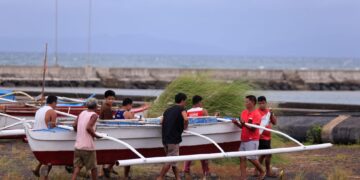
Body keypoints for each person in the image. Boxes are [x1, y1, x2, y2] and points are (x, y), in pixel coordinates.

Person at [157, 93, 189, 180]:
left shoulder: (167, 110)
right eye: (185, 101)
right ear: (182, 100)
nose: (185, 103)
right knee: (170, 160)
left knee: (173, 160)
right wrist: (185, 127)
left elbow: (161, 122)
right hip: (173, 139)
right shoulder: (182, 109)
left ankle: (178, 178)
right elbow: (186, 119)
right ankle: (160, 177)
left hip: (165, 139)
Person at [232, 95, 265, 180]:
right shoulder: (243, 112)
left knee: (252, 158)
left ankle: (262, 171)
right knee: (242, 158)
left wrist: (244, 124)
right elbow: (242, 126)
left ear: (253, 103)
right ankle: (243, 177)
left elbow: (254, 129)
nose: (245, 103)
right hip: (243, 138)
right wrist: (236, 123)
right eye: (245, 101)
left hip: (252, 139)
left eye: (247, 102)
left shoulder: (257, 114)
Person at [72, 98, 101, 180]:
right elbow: (88, 127)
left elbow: (74, 125)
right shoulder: (94, 115)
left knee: (78, 166)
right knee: (93, 167)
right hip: (88, 146)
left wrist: (79, 132)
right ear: (95, 106)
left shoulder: (82, 113)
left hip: (78, 145)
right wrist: (96, 135)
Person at [183, 95, 211, 178]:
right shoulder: (203, 111)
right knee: (204, 154)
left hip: (191, 135)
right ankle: (206, 172)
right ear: (199, 102)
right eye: (201, 102)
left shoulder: (187, 111)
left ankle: (186, 170)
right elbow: (209, 122)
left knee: (189, 153)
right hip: (202, 135)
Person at [32, 95, 58, 180]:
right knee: (49, 161)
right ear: (53, 102)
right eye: (56, 103)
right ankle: (44, 177)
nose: (56, 105)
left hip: (36, 137)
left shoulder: (39, 110)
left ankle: (37, 169)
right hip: (45, 138)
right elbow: (53, 127)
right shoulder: (52, 112)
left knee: (45, 158)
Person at [112, 97, 135, 179]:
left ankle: (108, 168)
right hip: (127, 136)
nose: (131, 107)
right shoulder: (127, 113)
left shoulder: (117, 112)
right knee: (128, 157)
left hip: (119, 136)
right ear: (128, 105)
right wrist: (133, 116)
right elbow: (134, 123)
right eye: (131, 105)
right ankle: (125, 176)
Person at [257, 96, 277, 177]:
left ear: (266, 103)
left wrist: (271, 114)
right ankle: (268, 171)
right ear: (258, 104)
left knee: (263, 154)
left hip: (268, 137)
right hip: (260, 137)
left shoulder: (269, 112)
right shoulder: (256, 112)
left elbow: (274, 122)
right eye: (260, 103)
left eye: (263, 103)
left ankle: (256, 170)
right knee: (268, 154)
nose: (262, 105)